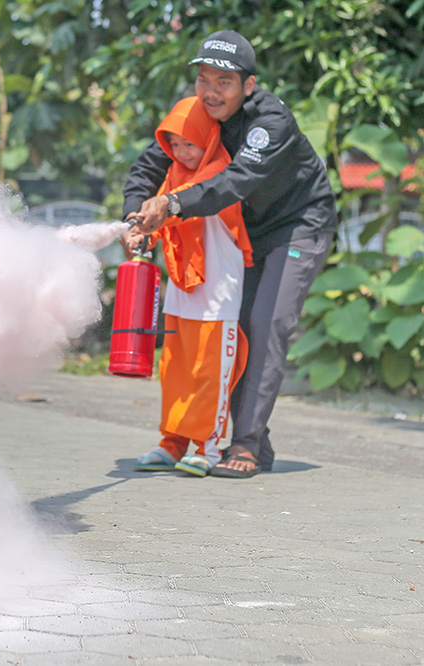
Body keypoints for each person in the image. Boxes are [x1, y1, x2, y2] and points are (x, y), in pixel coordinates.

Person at [123, 30, 337, 478]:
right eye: (204, 80)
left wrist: (172, 205)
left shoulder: (271, 122)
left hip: (298, 226)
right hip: (246, 235)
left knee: (265, 325)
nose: (211, 92)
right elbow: (152, 163)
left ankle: (246, 444)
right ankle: (247, 439)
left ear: (249, 85)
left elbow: (235, 182)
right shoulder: (198, 113)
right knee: (231, 332)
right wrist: (133, 219)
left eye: (224, 82)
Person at [128, 96, 253, 477]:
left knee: (209, 370)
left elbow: (193, 203)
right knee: (175, 368)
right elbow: (162, 216)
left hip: (217, 294)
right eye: (174, 145)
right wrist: (141, 227)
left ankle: (208, 447)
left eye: (189, 142)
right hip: (182, 291)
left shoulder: (221, 173)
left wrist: (164, 209)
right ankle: (173, 442)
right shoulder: (172, 177)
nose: (181, 152)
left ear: (208, 136)